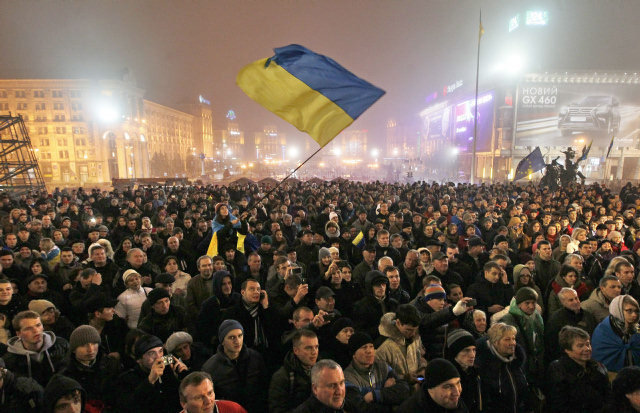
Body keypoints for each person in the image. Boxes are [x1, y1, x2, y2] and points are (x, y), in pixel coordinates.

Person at [201, 320, 267, 413]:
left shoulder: (255, 358)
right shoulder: (210, 367)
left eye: (240, 336)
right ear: (222, 341)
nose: (237, 341)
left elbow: (264, 387)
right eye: (232, 337)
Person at [114, 333, 189, 413]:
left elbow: (177, 397)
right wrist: (150, 381)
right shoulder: (127, 379)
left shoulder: (167, 369)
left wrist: (184, 374)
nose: (158, 357)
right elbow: (129, 407)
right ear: (139, 360)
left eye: (160, 351)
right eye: (151, 353)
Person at [545, 326, 610, 413]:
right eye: (580, 346)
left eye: (588, 344)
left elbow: (608, 396)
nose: (587, 349)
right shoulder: (558, 370)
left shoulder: (598, 367)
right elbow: (559, 405)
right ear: (567, 350)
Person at [343, 331, 410, 412]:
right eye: (364, 347)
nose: (369, 351)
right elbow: (360, 409)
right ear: (354, 354)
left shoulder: (382, 367)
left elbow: (404, 390)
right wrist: (390, 403)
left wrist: (374, 395)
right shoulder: (348, 377)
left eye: (371, 346)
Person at [474, 322, 533, 413]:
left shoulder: (518, 362)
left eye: (513, 339)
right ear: (496, 342)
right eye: (507, 339)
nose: (512, 343)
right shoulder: (485, 366)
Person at [58, 325, 121, 410]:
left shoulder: (110, 364)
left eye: (94, 343)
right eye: (84, 345)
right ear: (73, 349)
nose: (90, 349)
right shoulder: (65, 374)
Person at [2, 310, 69, 386]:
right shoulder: (9, 361)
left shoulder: (61, 345)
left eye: (38, 325)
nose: (36, 331)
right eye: (28, 328)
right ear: (19, 334)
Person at [500, 287, 545, 389]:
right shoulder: (508, 320)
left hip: (535, 364)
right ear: (519, 304)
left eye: (533, 303)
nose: (531, 306)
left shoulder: (537, 317)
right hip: (520, 365)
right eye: (527, 303)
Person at [269, 329, 319, 413]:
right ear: (296, 351)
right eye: (308, 348)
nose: (314, 352)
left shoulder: (323, 370)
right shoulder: (281, 377)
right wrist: (310, 404)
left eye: (316, 347)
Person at [375, 304, 426, 386]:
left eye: (415, 330)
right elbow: (379, 376)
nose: (413, 334)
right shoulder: (383, 346)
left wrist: (422, 369)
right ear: (398, 323)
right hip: (398, 393)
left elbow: (420, 357)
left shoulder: (415, 337)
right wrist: (404, 378)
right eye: (409, 330)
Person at [591, 294, 640, 373]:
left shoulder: (636, 328)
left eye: (636, 311)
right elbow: (600, 355)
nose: (634, 315)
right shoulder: (603, 331)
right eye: (629, 311)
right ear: (617, 310)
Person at [398, 358, 468, 412]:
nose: (457, 392)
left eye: (458, 383)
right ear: (430, 389)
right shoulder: (409, 410)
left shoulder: (457, 403)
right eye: (448, 386)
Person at [445, 329, 480, 413]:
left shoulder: (475, 374)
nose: (472, 355)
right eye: (466, 350)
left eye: (474, 350)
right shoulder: (446, 377)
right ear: (454, 352)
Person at [178, 371, 247, 413]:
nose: (208, 401)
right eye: (199, 397)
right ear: (184, 404)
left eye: (210, 393)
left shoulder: (234, 410)